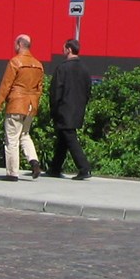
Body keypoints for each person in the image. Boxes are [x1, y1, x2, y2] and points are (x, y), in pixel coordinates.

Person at [0, 33, 44, 180]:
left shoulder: (15, 62)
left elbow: (6, 84)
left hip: (16, 103)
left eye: (15, 43)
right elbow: (40, 88)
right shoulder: (38, 65)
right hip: (30, 105)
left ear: (20, 44)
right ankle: (34, 162)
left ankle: (12, 173)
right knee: (25, 135)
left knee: (12, 139)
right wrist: (34, 102)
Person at [44, 40, 93, 180]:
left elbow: (56, 91)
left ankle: (84, 168)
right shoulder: (84, 69)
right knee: (63, 139)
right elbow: (88, 89)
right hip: (78, 109)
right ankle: (55, 168)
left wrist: (53, 109)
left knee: (70, 138)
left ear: (69, 49)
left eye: (64, 48)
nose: (62, 50)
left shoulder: (63, 68)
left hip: (64, 109)